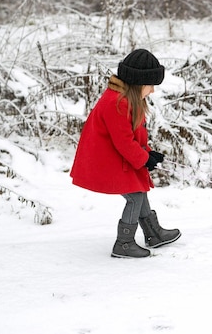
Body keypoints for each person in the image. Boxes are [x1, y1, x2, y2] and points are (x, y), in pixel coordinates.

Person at [70, 49, 181, 258]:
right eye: (151, 86)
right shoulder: (116, 103)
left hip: (117, 158)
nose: (153, 91)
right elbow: (123, 142)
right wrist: (143, 159)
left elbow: (134, 135)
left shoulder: (126, 100)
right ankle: (124, 243)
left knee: (139, 189)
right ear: (139, 83)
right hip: (105, 161)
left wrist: (148, 153)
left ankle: (153, 233)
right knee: (135, 195)